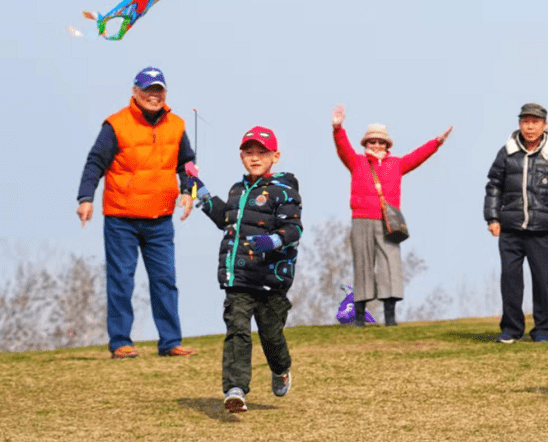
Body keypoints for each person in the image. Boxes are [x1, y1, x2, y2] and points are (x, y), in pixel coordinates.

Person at [75, 67, 196, 359]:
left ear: (165, 93)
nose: (154, 96)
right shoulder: (115, 126)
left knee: (165, 280)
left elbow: (188, 163)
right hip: (121, 218)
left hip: (160, 219)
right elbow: (95, 163)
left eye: (159, 90)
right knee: (121, 280)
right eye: (148, 90)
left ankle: (170, 341)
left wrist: (188, 191)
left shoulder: (177, 125)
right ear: (135, 92)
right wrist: (86, 198)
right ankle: (120, 343)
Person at [189, 126, 303, 414]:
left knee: (270, 335)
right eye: (248, 152)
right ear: (241, 156)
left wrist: (272, 240)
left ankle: (281, 369)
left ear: (275, 156)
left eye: (261, 152)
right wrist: (198, 189)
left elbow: (293, 229)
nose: (254, 158)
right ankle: (235, 389)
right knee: (237, 331)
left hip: (270, 279)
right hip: (239, 277)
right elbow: (225, 219)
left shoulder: (285, 191)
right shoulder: (237, 190)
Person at [331, 105, 452, 327]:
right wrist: (338, 127)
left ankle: (390, 317)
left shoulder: (396, 164)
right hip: (361, 219)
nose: (376, 145)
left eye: (380, 142)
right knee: (363, 265)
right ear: (365, 144)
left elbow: (418, 157)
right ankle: (359, 317)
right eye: (372, 141)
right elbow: (342, 148)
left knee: (391, 266)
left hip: (388, 222)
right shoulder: (356, 162)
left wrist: (437, 142)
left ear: (387, 145)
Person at [483, 103, 548, 344]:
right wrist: (492, 218)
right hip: (511, 227)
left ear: (544, 125)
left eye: (535, 122)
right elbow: (494, 185)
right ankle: (511, 329)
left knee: (544, 281)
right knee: (510, 280)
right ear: (519, 124)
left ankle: (543, 329)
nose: (530, 127)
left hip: (543, 228)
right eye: (525, 121)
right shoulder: (507, 152)